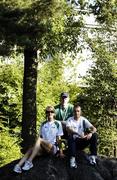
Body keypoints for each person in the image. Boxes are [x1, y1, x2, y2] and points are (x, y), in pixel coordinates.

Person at [13, 106, 64, 173]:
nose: (50, 113)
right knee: (31, 149)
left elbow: (58, 139)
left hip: (52, 148)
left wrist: (61, 152)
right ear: (46, 113)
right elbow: (40, 137)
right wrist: (35, 147)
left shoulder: (58, 123)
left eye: (51, 111)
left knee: (39, 139)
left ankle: (29, 161)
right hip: (43, 149)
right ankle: (18, 165)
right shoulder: (43, 124)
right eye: (47, 112)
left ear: (54, 113)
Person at [66, 104, 98, 168]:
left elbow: (94, 128)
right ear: (73, 112)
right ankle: (72, 159)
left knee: (94, 135)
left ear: (80, 112)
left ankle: (92, 157)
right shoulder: (70, 120)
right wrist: (77, 133)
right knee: (71, 136)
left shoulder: (83, 119)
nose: (76, 113)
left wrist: (91, 133)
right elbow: (68, 129)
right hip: (74, 143)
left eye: (78, 111)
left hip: (82, 141)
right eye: (75, 111)